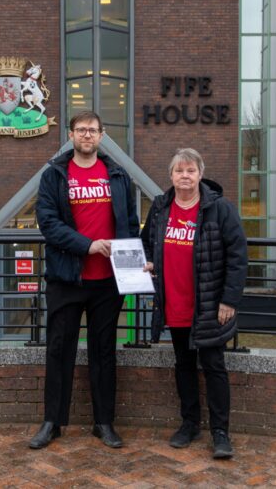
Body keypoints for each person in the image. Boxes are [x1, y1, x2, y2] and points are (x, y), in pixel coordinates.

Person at [29, 110, 139, 450]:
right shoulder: (55, 175)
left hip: (107, 282)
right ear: (71, 135)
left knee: (104, 352)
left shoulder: (118, 175)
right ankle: (53, 422)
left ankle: (103, 423)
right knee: (59, 351)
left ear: (102, 135)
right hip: (66, 278)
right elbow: (48, 224)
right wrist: (88, 246)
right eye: (81, 130)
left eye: (93, 130)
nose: (87, 135)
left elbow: (130, 226)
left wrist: (136, 268)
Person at [140, 148, 247, 459]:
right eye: (179, 171)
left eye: (190, 171)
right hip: (174, 301)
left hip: (210, 304)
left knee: (214, 366)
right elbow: (148, 243)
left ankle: (220, 432)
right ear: (171, 176)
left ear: (200, 174)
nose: (184, 176)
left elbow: (238, 256)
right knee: (183, 364)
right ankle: (189, 423)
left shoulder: (219, 208)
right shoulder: (160, 208)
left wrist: (229, 299)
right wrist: (148, 261)